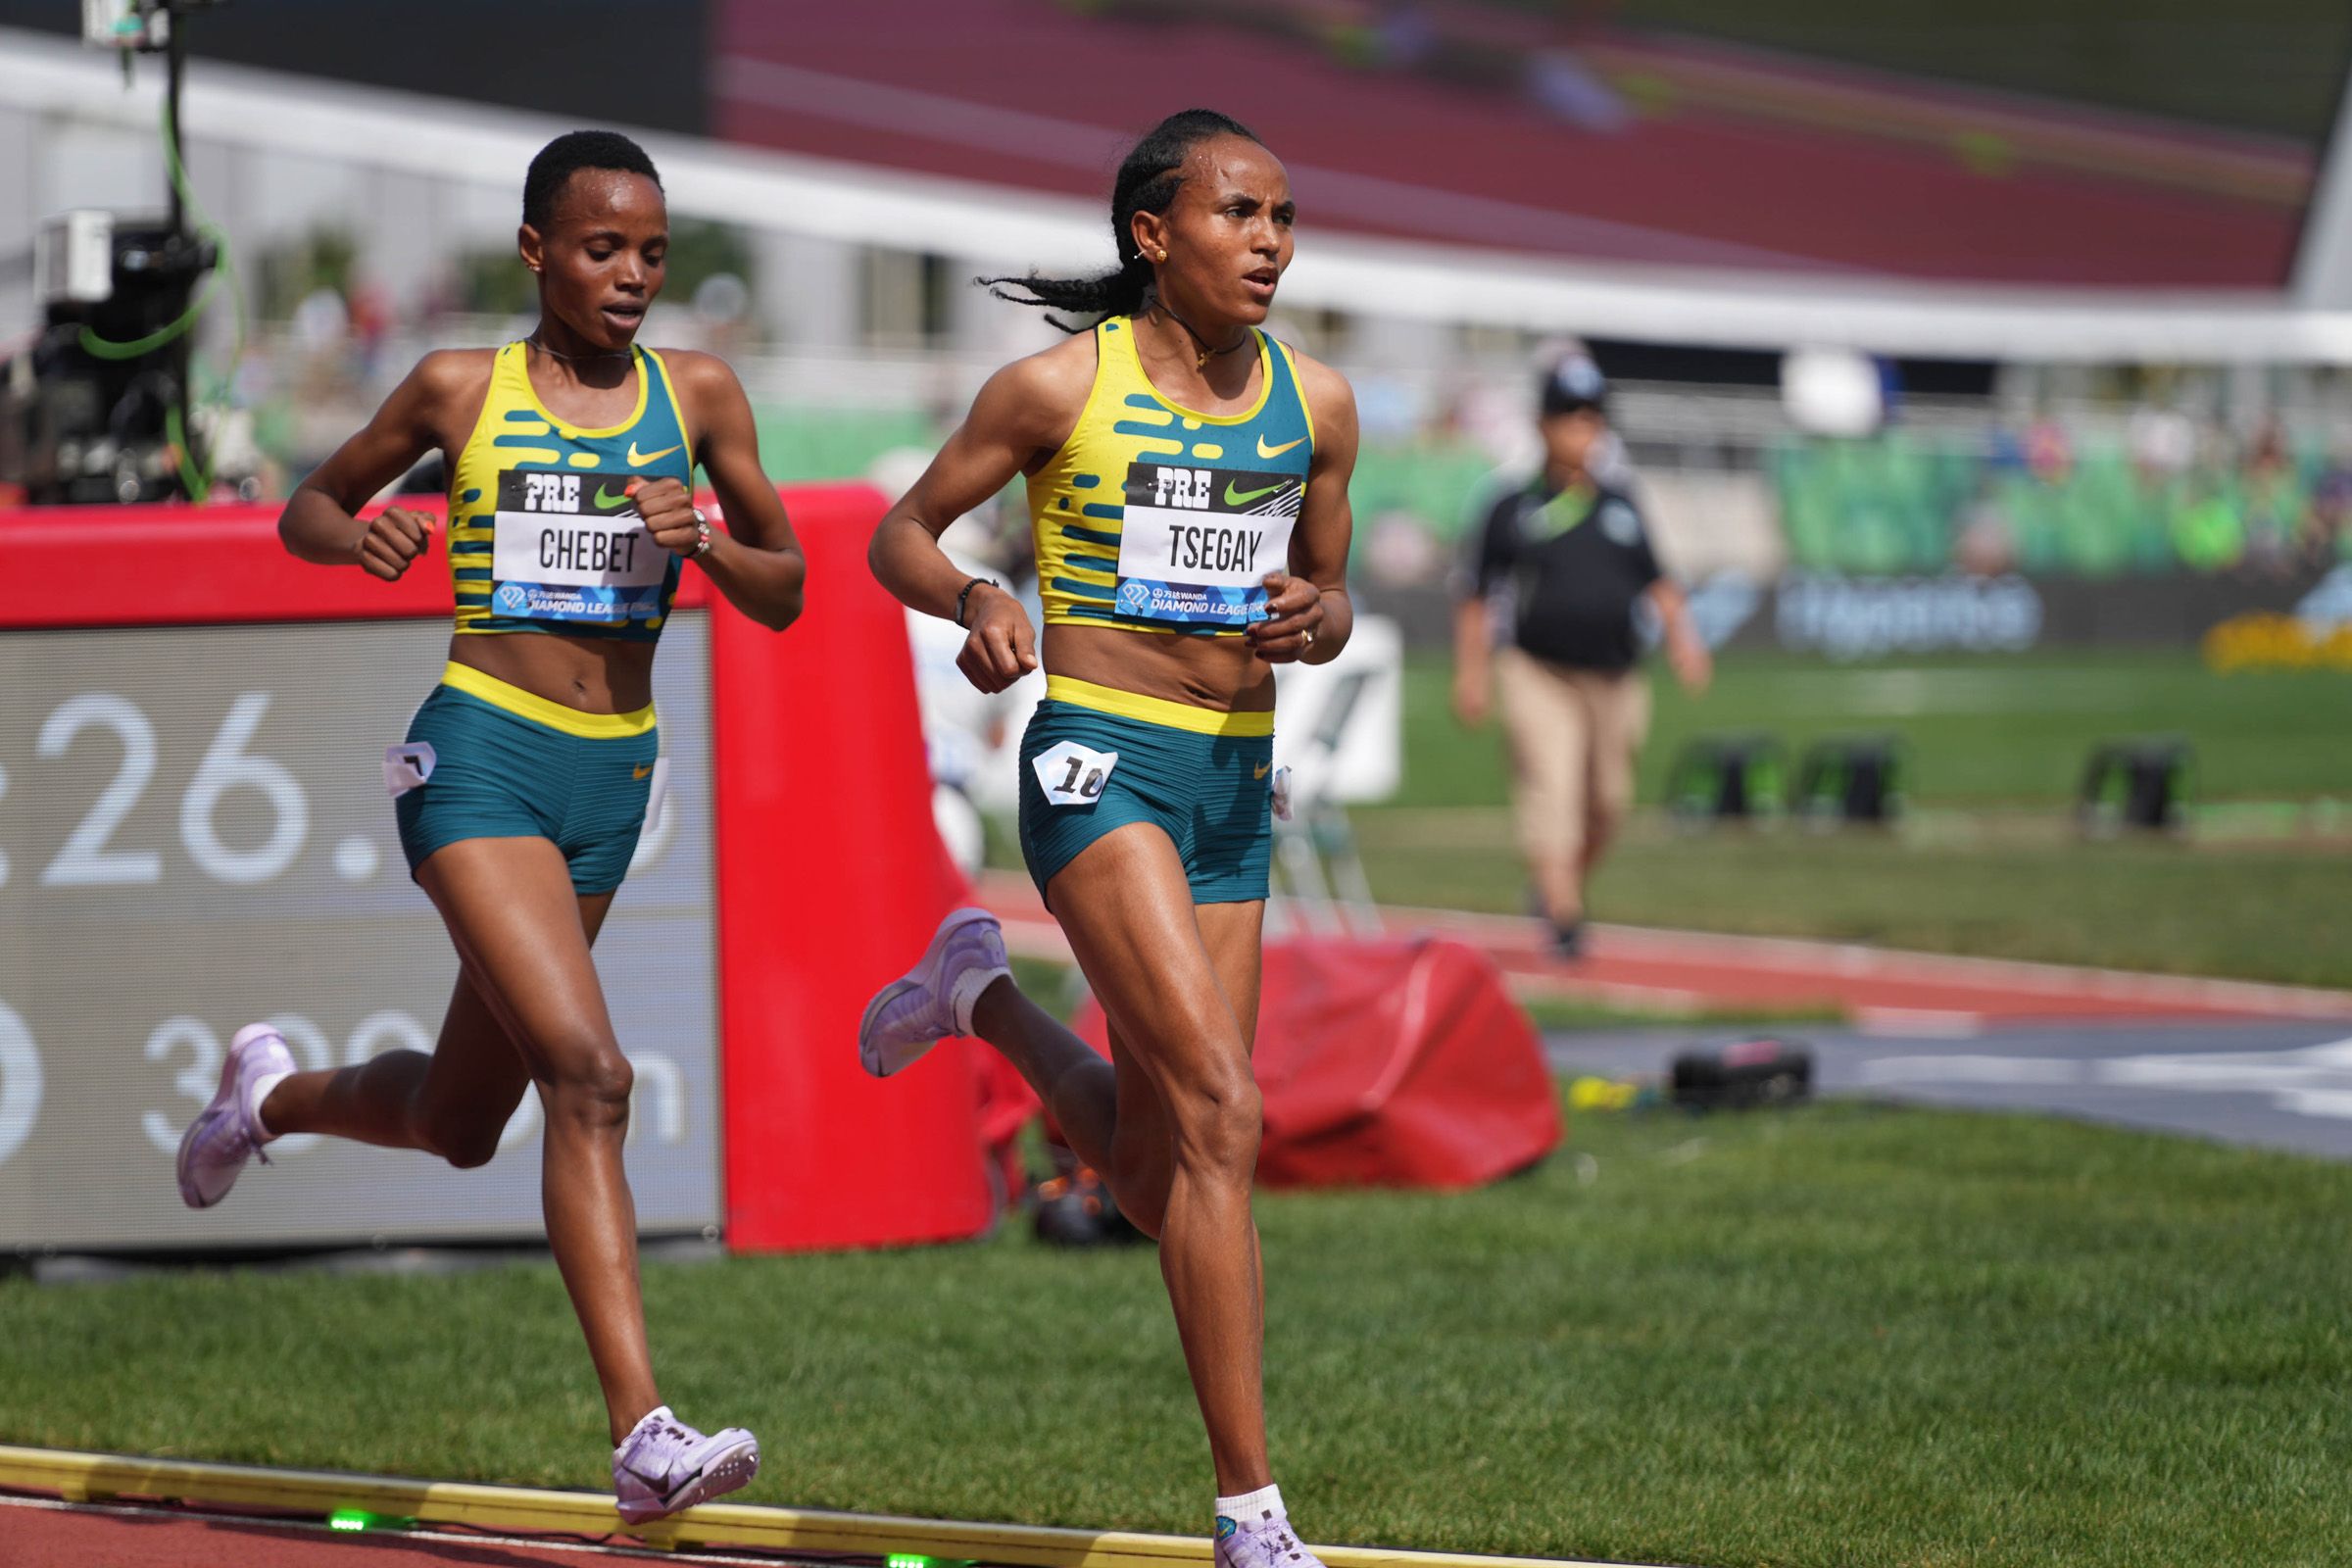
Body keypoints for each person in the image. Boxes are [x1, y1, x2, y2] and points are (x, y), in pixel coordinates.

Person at [172, 130, 806, 1524]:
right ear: (536, 253)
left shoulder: (696, 398)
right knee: (591, 1075)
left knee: (465, 1123)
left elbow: (786, 590)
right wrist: (364, 541)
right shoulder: (464, 389)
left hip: (610, 780)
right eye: (601, 249)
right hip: (477, 758)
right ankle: (643, 1435)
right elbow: (309, 505)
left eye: (650, 251)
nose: (632, 275)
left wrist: (702, 535)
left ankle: (264, 1099)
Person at [859, 110, 1356, 1568]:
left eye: (1282, 216)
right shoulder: (1056, 387)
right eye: (1239, 214)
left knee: (1158, 1177)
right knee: (1225, 1114)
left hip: (1231, 785)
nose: (1269, 241)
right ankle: (1252, 1515)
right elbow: (902, 531)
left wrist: (1314, 619)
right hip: (1099, 763)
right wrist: (976, 603)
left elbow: (1328, 601)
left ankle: (982, 999)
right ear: (1154, 235)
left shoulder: (1316, 403)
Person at [1451, 354, 1708, 956]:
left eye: (1591, 418)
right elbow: (1475, 596)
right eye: (1568, 416)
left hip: (1616, 675)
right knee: (1552, 788)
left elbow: (1660, 582)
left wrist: (1685, 642)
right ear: (1542, 424)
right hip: (1538, 669)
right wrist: (1472, 675)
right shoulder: (1511, 506)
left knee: (1608, 803)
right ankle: (1564, 916)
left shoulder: (1622, 503)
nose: (1580, 429)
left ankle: (1555, 886)